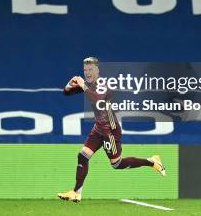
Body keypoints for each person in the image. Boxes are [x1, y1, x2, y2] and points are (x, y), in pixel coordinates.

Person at [57, 57, 165, 203]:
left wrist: (83, 86)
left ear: (97, 70)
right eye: (85, 70)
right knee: (83, 156)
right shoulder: (88, 84)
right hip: (98, 128)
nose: (87, 73)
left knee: (116, 164)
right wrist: (69, 85)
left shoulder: (103, 85)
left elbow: (97, 100)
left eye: (90, 70)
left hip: (110, 130)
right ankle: (76, 193)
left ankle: (152, 161)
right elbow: (66, 92)